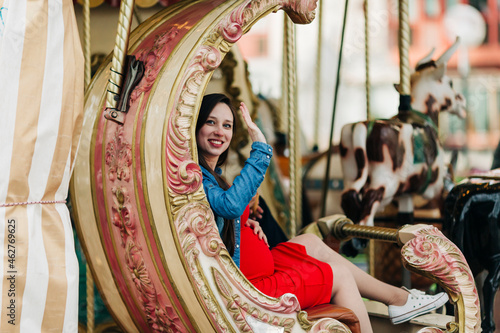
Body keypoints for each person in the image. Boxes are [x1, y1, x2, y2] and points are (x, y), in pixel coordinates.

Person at [196, 93, 448, 332]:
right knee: (338, 275)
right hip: (250, 286)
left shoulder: (212, 176)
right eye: (211, 122)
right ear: (195, 128)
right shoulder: (197, 178)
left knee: (310, 240)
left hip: (257, 270)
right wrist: (260, 148)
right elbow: (228, 205)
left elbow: (223, 214)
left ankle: (397, 298)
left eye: (227, 125)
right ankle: (395, 301)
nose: (220, 131)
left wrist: (243, 225)